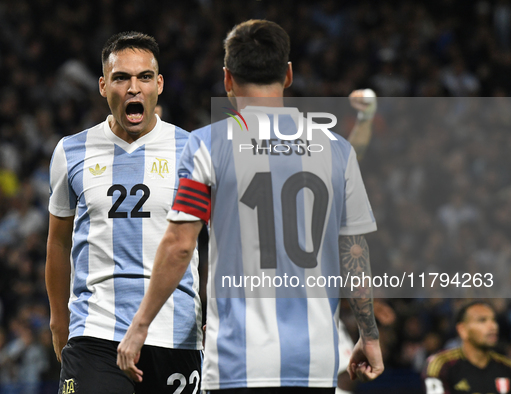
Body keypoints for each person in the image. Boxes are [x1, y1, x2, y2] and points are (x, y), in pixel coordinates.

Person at [118, 19, 384, 393]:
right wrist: (368, 335)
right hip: (316, 363)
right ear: (288, 75)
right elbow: (354, 249)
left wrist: (140, 324)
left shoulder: (207, 144)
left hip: (237, 361)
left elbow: (180, 246)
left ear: (228, 79)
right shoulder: (337, 149)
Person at [45, 32, 202, 394]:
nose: (134, 88)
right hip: (96, 332)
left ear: (159, 84)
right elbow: (57, 241)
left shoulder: (192, 150)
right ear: (103, 86)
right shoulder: (71, 151)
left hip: (174, 334)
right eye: (121, 78)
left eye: (144, 77)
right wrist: (58, 320)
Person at [422, 301, 511, 394]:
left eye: (494, 320)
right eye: (482, 320)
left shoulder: (507, 367)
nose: (493, 326)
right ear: (462, 330)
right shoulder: (441, 365)